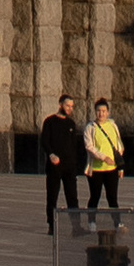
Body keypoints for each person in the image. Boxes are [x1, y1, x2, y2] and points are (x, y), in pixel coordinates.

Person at [38, 92, 87, 231]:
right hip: (55, 166)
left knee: (72, 197)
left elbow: (74, 146)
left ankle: (76, 226)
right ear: (60, 105)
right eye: (67, 105)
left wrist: (76, 166)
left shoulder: (71, 123)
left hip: (69, 166)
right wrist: (51, 154)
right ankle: (52, 226)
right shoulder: (50, 121)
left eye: (72, 106)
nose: (70, 108)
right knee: (52, 196)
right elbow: (45, 141)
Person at [83, 99, 124, 217]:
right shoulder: (90, 127)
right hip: (96, 169)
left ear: (108, 113)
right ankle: (91, 221)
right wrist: (103, 157)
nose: (101, 114)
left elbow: (118, 145)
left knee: (112, 198)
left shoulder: (112, 125)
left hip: (111, 169)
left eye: (104, 111)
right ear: (95, 112)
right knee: (95, 196)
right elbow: (89, 147)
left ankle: (117, 222)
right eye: (98, 111)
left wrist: (120, 167)